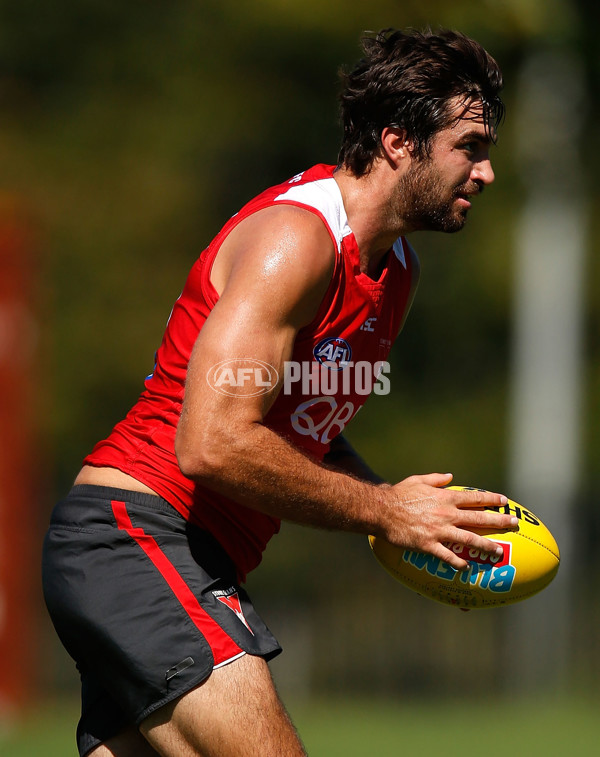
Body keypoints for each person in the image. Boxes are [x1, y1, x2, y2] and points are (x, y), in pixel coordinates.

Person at [43, 27, 518, 757]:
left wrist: (401, 507)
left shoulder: (397, 273)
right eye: (471, 147)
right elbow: (212, 442)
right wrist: (387, 510)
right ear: (398, 141)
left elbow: (304, 424)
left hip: (177, 554)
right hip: (137, 534)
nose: (486, 173)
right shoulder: (296, 241)